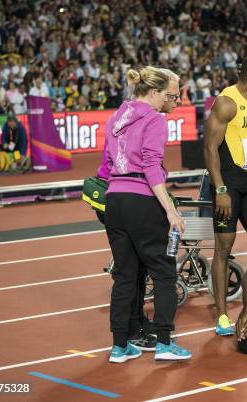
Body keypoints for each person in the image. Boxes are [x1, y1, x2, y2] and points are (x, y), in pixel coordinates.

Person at [104, 66, 191, 363]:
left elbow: (106, 167)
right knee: (165, 273)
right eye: (172, 94)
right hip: (141, 200)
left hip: (114, 200)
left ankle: (120, 346)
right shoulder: (154, 120)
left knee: (124, 276)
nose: (176, 100)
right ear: (154, 93)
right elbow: (152, 166)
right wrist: (170, 211)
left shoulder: (115, 118)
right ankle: (165, 342)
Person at [203, 54, 247, 336]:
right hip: (227, 184)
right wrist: (220, 190)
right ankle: (221, 315)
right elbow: (209, 148)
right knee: (224, 247)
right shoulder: (226, 102)